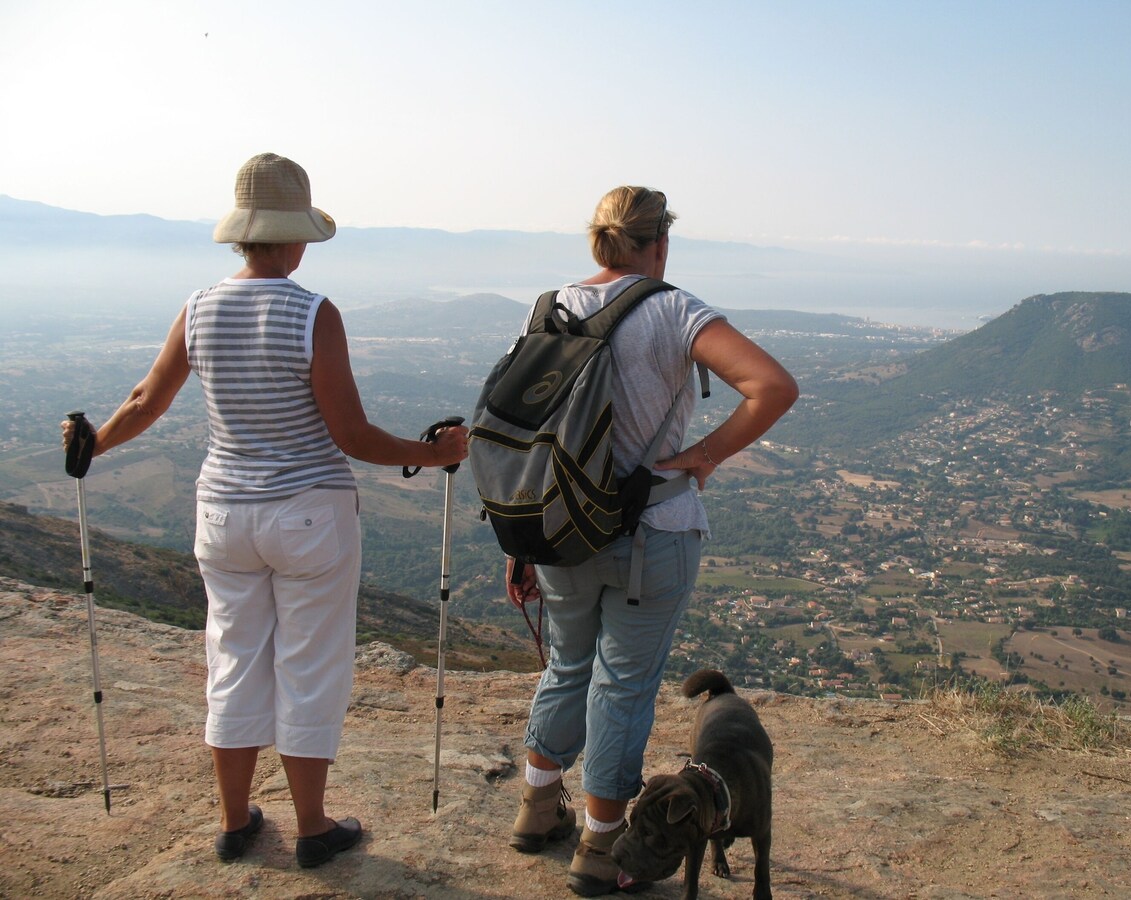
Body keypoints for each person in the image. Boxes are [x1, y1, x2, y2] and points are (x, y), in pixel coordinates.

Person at [61, 153, 468, 868]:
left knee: (233, 657)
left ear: (242, 235)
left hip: (222, 513)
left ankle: (234, 820)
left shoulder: (198, 307)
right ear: (295, 236)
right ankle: (312, 828)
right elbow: (351, 434)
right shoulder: (314, 312)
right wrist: (434, 454)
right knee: (310, 664)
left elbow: (144, 402)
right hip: (308, 513)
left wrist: (94, 446)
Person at [505, 185, 798, 896]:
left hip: (558, 531)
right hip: (652, 533)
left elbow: (530, 433)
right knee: (624, 686)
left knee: (567, 666)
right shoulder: (671, 309)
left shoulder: (549, 307)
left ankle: (536, 809)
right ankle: (599, 848)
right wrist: (706, 455)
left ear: (595, 241)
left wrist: (521, 539)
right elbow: (772, 385)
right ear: (659, 242)